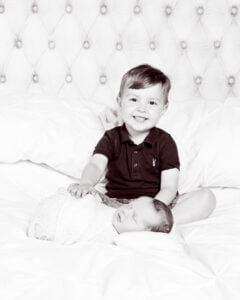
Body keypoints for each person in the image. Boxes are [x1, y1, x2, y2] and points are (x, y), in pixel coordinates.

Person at [68, 64, 216, 226]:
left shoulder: (165, 141)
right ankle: (134, 224)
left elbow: (169, 186)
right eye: (133, 99)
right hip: (118, 205)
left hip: (158, 203)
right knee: (74, 197)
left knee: (207, 198)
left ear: (164, 108)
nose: (142, 109)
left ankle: (154, 225)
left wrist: (150, 209)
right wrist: (87, 183)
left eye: (152, 103)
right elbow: (96, 164)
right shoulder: (112, 137)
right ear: (120, 102)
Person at [28, 190, 173, 244]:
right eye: (130, 206)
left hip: (57, 227)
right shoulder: (114, 213)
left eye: (134, 218)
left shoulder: (118, 239)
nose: (125, 212)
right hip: (62, 207)